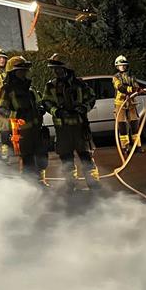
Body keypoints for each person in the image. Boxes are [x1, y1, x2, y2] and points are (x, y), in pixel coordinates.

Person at [41, 53, 99, 191]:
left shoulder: (79, 84)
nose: (55, 71)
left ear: (66, 68)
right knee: (66, 158)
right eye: (54, 69)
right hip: (63, 128)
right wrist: (57, 111)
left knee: (86, 156)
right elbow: (46, 102)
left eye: (58, 68)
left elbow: (91, 97)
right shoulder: (51, 86)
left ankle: (93, 183)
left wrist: (83, 108)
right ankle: (71, 184)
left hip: (80, 127)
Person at [0, 55, 50, 186]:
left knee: (41, 157)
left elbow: (39, 103)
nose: (24, 73)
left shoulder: (30, 89)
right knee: (28, 159)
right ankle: (29, 186)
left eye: (25, 70)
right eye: (21, 70)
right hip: (22, 131)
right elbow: (1, 108)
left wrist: (41, 108)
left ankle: (40, 182)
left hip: (36, 129)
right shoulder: (7, 89)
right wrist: (16, 114)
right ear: (13, 73)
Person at [112, 55, 143, 154]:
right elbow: (120, 88)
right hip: (120, 104)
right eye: (121, 65)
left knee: (135, 125)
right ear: (117, 66)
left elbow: (136, 86)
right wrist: (131, 89)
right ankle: (125, 147)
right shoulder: (115, 77)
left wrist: (138, 89)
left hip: (131, 104)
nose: (123, 67)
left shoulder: (131, 76)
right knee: (123, 126)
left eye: (124, 65)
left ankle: (137, 146)